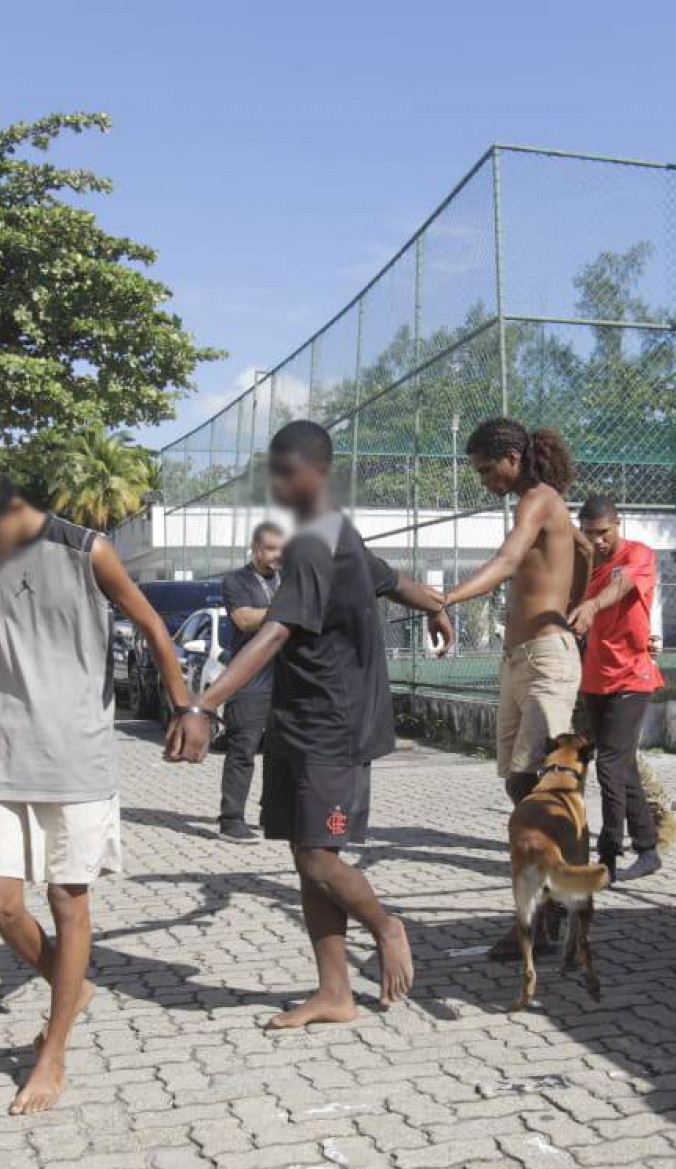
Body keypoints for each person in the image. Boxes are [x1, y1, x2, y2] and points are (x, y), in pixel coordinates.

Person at [166, 420, 453, 1029]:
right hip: (298, 720)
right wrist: (436, 605)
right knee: (306, 858)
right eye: (273, 472)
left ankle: (387, 926)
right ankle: (334, 992)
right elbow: (389, 579)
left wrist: (204, 704)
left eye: (289, 472)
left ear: (320, 472)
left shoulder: (314, 542)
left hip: (333, 727)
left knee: (322, 858)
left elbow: (275, 631)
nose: (278, 484)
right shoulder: (331, 531)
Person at [0, 465, 187, 1114]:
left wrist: (186, 707)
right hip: (0, 757)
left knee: (65, 899)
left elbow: (152, 625)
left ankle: (52, 1054)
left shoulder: (84, 550)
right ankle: (69, 986)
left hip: (76, 756)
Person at [441, 417, 586, 956]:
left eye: (487, 470)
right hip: (518, 662)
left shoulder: (539, 499)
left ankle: (547, 912)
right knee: (519, 789)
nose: (485, 481)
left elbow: (506, 562)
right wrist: (578, 602)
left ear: (513, 458)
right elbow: (583, 553)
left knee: (536, 791)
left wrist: (444, 598)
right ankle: (553, 901)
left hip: (547, 661)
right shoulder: (543, 505)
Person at [568, 495, 664, 882]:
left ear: (618, 523)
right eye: (588, 534)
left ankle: (607, 856)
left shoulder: (638, 555)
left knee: (609, 763)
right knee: (623, 766)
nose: (597, 541)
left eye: (603, 533)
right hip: (594, 677)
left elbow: (621, 585)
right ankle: (648, 849)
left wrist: (592, 606)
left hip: (632, 676)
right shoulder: (583, 564)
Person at [217, 522, 286, 843]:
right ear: (256, 549)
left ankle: (272, 812)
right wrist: (290, 608)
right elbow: (244, 620)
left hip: (287, 680)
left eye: (282, 549)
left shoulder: (290, 579)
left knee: (282, 751)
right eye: (271, 549)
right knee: (243, 750)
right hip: (250, 680)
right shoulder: (236, 581)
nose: (277, 555)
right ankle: (231, 819)